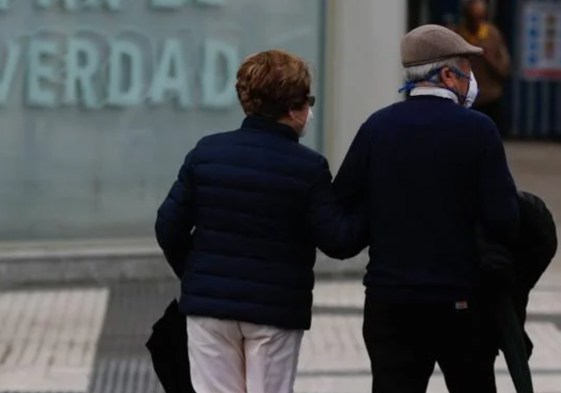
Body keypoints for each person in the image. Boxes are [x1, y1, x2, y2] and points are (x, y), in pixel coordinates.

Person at [155, 49, 366, 393]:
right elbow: (338, 241)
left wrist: (195, 273)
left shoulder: (207, 152)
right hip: (274, 312)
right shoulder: (308, 167)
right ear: (292, 108)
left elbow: (168, 227)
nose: (309, 111)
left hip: (209, 309)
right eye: (307, 101)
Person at [333, 24, 519, 393]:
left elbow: (342, 203)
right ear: (447, 74)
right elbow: (503, 218)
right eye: (467, 72)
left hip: (390, 300)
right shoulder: (478, 130)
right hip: (460, 301)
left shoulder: (376, 127)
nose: (471, 82)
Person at [457, 0, 511, 137]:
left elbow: (505, 69)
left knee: (490, 138)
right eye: (472, 17)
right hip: (464, 97)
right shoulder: (457, 34)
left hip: (490, 97)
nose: (476, 22)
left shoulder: (493, 35)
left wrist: (489, 58)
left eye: (480, 17)